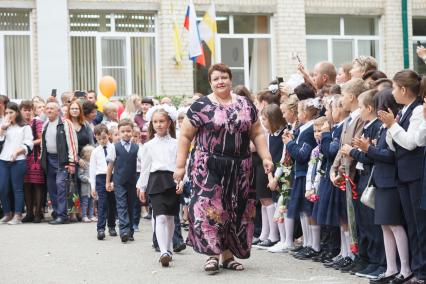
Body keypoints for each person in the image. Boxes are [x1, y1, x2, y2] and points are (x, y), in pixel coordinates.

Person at [174, 63, 273, 274]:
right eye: (216, 78)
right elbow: (185, 136)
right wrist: (180, 166)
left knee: (235, 209)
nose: (221, 81)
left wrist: (266, 157)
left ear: (230, 79)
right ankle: (212, 255)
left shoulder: (245, 104)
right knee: (212, 207)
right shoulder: (201, 106)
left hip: (240, 166)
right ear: (211, 82)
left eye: (224, 77)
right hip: (208, 164)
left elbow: (257, 133)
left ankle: (228, 255)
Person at [354, 89, 411, 283]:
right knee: (386, 226)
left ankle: (405, 269)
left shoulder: (393, 125)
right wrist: (369, 148)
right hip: (381, 179)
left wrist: (368, 149)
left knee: (394, 225)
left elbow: (392, 156)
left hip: (391, 181)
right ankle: (391, 268)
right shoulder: (382, 127)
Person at [379, 70, 426, 283]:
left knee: (420, 224)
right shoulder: (404, 110)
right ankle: (414, 270)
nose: (394, 92)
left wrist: (392, 125)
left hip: (415, 174)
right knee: (411, 223)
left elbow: (410, 142)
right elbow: (393, 144)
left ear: (404, 89)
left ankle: (421, 271)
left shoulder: (417, 110)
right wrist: (392, 127)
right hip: (403, 173)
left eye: (396, 88)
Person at [341, 89, 385, 279]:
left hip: (370, 176)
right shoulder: (368, 126)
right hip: (361, 175)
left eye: (361, 107)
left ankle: (378, 261)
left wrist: (353, 152)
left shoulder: (376, 127)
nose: (358, 111)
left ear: (369, 108)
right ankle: (366, 258)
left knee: (372, 222)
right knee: (363, 222)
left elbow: (370, 156)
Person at [329, 78, 368, 270]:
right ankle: (352, 255)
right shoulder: (350, 117)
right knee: (350, 217)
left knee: (358, 219)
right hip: (345, 173)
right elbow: (341, 148)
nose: (341, 99)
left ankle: (359, 256)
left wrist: (343, 171)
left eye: (343, 95)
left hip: (354, 174)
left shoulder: (360, 117)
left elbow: (352, 147)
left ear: (352, 96)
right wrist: (334, 169)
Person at [137, 104, 182, 267]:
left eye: (162, 121)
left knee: (170, 217)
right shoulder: (149, 145)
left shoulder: (176, 143)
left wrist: (181, 181)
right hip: (155, 181)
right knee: (160, 216)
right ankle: (163, 251)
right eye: (155, 122)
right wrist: (142, 186)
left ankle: (168, 246)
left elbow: (181, 164)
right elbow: (145, 167)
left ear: (169, 122)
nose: (158, 125)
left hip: (172, 180)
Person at [282, 98, 320, 255]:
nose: (297, 115)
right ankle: (307, 243)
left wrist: (290, 144)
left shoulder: (309, 130)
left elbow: (303, 155)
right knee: (304, 211)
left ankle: (314, 245)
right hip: (300, 173)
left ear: (305, 113)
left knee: (308, 210)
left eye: (299, 111)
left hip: (305, 174)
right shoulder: (304, 128)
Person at [40, 101, 78, 225]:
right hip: (49, 159)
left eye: (52, 108)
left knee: (61, 186)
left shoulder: (66, 123)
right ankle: (57, 213)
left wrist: (72, 162)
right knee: (52, 188)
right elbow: (43, 144)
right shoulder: (45, 124)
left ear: (58, 111)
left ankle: (63, 215)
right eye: (47, 108)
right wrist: (42, 159)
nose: (49, 110)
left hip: (62, 160)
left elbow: (72, 143)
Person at [254, 103, 285, 250]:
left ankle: (274, 235)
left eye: (265, 119)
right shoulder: (270, 134)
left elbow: (279, 157)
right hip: (267, 170)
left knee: (272, 201)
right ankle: (264, 234)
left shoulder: (282, 134)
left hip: (277, 171)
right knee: (263, 201)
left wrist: (274, 177)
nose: (263, 122)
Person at [106, 119, 139, 243]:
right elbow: (110, 165)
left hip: (132, 181)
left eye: (128, 131)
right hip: (119, 181)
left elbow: (140, 166)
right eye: (123, 131)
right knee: (121, 205)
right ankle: (123, 230)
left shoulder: (137, 148)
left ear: (132, 132)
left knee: (131, 205)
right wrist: (107, 182)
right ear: (118, 134)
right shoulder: (115, 148)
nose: (126, 133)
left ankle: (130, 231)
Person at [0, 102, 33, 225]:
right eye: (6, 113)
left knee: (17, 188)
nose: (8, 115)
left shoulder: (25, 127)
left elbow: (28, 144)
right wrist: (3, 127)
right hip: (3, 159)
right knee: (2, 188)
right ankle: (7, 213)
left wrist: (17, 152)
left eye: (11, 112)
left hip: (18, 161)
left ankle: (18, 215)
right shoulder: (4, 126)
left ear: (17, 113)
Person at [90, 124, 117, 240]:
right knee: (102, 203)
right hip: (100, 178)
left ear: (108, 135)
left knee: (112, 203)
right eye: (99, 138)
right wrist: (93, 187)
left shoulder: (114, 148)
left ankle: (111, 226)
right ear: (95, 138)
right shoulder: (95, 152)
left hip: (112, 177)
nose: (102, 140)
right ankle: (100, 228)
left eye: (104, 137)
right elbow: (92, 169)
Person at [20, 101, 45, 223]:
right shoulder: (19, 123)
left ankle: (38, 213)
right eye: (25, 110)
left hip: (35, 157)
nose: (27, 112)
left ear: (33, 111)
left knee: (37, 185)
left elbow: (41, 139)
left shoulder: (37, 122)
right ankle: (29, 212)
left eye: (30, 109)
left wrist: (28, 144)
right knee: (26, 185)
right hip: (22, 158)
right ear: (21, 111)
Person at [78, 145, 96, 223]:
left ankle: (91, 215)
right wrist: (88, 179)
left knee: (92, 202)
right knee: (84, 202)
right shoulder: (83, 164)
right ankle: (84, 216)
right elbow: (80, 175)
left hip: (92, 187)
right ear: (86, 154)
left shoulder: (94, 163)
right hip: (85, 188)